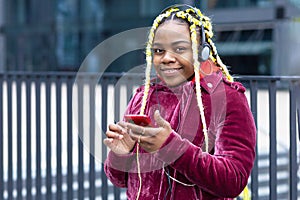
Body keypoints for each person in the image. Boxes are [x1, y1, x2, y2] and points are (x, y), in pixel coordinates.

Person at [103, 4, 256, 200]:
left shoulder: (228, 98)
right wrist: (119, 154)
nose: (166, 58)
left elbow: (233, 180)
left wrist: (171, 147)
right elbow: (121, 180)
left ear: (202, 52)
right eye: (159, 50)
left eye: (180, 49)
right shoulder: (143, 97)